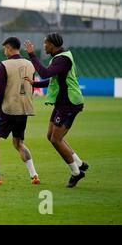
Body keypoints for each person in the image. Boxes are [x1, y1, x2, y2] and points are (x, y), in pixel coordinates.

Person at [24, 33, 88, 188]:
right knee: (50, 136)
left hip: (69, 104)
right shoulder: (61, 57)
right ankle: (79, 163)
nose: (44, 46)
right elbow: (54, 79)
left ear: (52, 44)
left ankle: (76, 173)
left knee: (56, 139)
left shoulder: (62, 59)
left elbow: (45, 73)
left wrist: (32, 54)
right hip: (62, 103)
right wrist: (35, 84)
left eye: (45, 43)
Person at [0, 37, 40, 185]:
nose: (4, 51)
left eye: (5, 48)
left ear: (9, 48)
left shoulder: (4, 65)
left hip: (8, 109)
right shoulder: (30, 64)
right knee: (18, 143)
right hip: (24, 109)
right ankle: (34, 175)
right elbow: (32, 86)